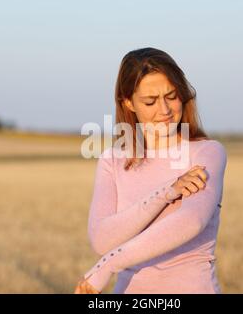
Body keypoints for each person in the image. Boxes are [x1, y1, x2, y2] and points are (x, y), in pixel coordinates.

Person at [74, 47, 227, 294]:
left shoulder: (207, 153)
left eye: (172, 96)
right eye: (150, 101)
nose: (165, 110)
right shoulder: (112, 161)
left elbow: (190, 222)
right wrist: (168, 191)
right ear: (128, 103)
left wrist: (109, 264)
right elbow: (102, 239)